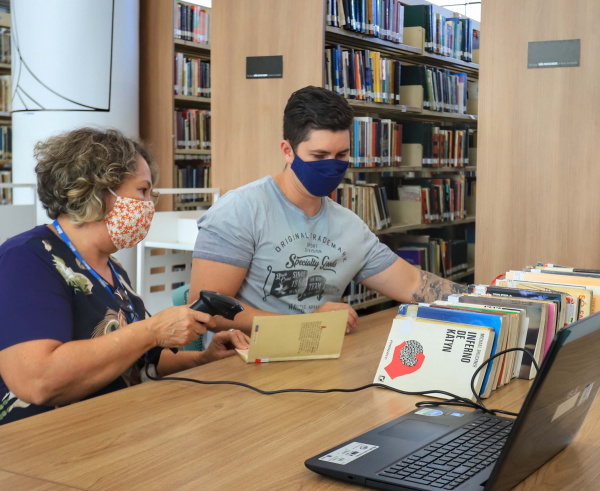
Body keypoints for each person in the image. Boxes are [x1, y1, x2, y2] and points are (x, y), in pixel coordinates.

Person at [0, 128, 248, 441]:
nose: (150, 205)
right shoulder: (23, 263)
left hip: (95, 432)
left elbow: (136, 357)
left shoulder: (109, 267)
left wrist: (200, 359)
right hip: (10, 447)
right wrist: (152, 330)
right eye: (143, 192)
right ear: (97, 190)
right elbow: (37, 381)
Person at [189, 86, 468, 334]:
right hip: (240, 367)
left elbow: (413, 284)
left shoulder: (348, 225)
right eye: (319, 156)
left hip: (319, 357)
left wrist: (486, 300)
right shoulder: (241, 210)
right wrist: (303, 324)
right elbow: (205, 310)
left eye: (341, 155)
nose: (332, 166)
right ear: (288, 151)